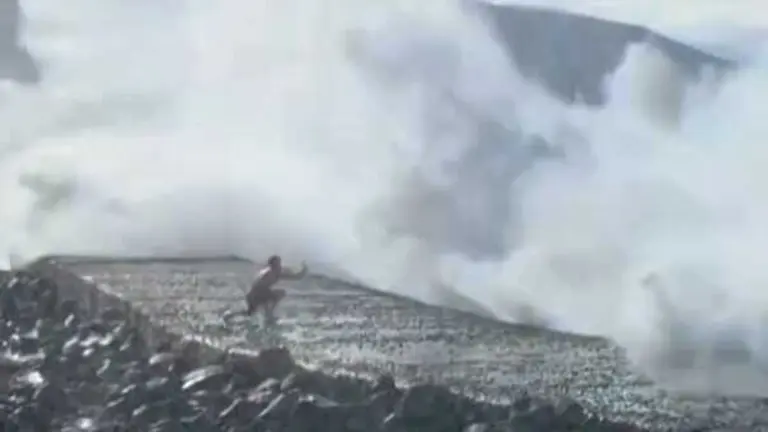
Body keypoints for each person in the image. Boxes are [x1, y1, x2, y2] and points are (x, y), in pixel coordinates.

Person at [226, 255, 308, 324]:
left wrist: (304, 270)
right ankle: (269, 316)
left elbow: (296, 277)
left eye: (279, 264)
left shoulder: (274, 273)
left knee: (249, 313)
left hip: (252, 295)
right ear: (273, 265)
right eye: (278, 264)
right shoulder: (270, 273)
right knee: (280, 293)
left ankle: (229, 316)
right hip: (255, 294)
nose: (280, 266)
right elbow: (259, 287)